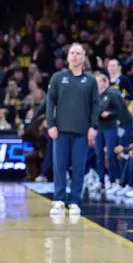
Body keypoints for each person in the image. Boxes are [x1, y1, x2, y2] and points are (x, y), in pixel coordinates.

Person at [45, 43, 99, 217]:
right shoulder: (58, 77)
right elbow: (50, 102)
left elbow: (95, 105)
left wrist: (93, 126)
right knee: (59, 166)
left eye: (78, 53)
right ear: (68, 57)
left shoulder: (90, 81)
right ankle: (59, 200)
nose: (75, 56)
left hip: (82, 132)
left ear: (84, 58)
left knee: (78, 167)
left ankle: (75, 201)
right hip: (60, 130)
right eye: (72, 53)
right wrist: (51, 124)